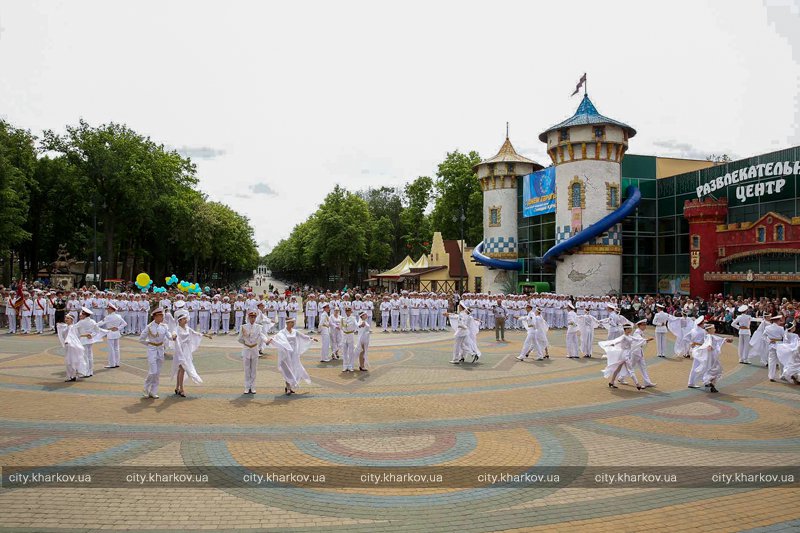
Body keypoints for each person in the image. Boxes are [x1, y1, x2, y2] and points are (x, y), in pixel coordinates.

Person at [269, 317, 317, 394]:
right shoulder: (282, 332)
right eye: (291, 322)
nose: (293, 324)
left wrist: (311, 338)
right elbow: (276, 337)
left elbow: (303, 336)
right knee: (288, 369)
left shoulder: (295, 331)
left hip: (294, 353)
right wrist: (270, 340)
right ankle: (288, 387)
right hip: (286, 353)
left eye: (293, 322)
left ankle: (290, 386)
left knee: (294, 368)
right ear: (287, 323)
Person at [171, 308, 211, 397]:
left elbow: (195, 333)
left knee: (181, 369)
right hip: (180, 351)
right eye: (184, 319)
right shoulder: (176, 328)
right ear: (180, 320)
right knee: (182, 368)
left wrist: (205, 335)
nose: (186, 320)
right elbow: (173, 333)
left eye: (186, 318)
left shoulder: (187, 328)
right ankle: (181, 389)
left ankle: (177, 387)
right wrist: (173, 336)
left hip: (187, 351)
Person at [599, 323, 648, 390]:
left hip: (626, 354)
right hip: (625, 355)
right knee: (630, 369)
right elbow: (616, 341)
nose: (631, 329)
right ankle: (638, 384)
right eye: (629, 328)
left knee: (618, 369)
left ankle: (612, 382)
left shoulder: (629, 336)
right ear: (626, 329)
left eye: (631, 328)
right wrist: (611, 344)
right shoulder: (623, 337)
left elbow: (637, 339)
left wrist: (646, 340)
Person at [139, 308, 171, 399]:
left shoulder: (164, 326)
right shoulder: (149, 327)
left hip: (160, 349)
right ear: (155, 316)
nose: (162, 317)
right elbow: (141, 339)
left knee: (157, 372)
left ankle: (154, 391)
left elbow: (169, 336)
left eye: (162, 315)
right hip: (152, 349)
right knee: (153, 371)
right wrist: (149, 344)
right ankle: (146, 388)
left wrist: (174, 336)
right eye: (161, 316)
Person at [690, 323, 732, 393]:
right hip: (712, 356)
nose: (715, 329)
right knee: (716, 369)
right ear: (709, 329)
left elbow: (718, 339)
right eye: (713, 328)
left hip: (711, 356)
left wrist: (726, 339)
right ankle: (709, 382)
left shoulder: (710, 336)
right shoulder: (709, 336)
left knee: (710, 368)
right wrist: (709, 345)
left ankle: (709, 382)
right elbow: (709, 341)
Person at [238, 310, 269, 394]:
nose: (252, 319)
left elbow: (262, 336)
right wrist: (246, 343)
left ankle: (253, 386)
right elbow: (239, 338)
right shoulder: (243, 326)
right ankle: (247, 387)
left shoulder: (259, 327)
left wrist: (266, 341)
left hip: (255, 349)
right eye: (251, 317)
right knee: (247, 369)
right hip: (246, 349)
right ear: (248, 318)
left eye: (254, 317)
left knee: (254, 369)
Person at [74, 307, 106, 377]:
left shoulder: (81, 322)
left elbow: (73, 328)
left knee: (85, 356)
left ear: (85, 315)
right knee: (90, 356)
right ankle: (90, 371)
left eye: (81, 315)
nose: (80, 316)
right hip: (90, 340)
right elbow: (97, 331)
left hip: (83, 340)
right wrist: (91, 335)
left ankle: (86, 372)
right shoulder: (93, 321)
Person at [56, 314, 88, 382]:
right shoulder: (68, 327)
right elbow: (76, 335)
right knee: (70, 361)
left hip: (71, 346)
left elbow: (71, 336)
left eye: (68, 318)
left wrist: (68, 340)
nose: (66, 319)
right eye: (66, 318)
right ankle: (72, 376)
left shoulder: (71, 327)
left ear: (72, 320)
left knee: (70, 361)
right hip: (69, 346)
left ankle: (72, 376)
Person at [97, 302, 127, 369]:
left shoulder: (108, 317)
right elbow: (125, 323)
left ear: (111, 309)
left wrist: (94, 325)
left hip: (110, 333)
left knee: (111, 349)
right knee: (116, 348)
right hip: (116, 332)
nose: (107, 310)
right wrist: (118, 328)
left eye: (108, 309)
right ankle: (117, 363)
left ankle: (112, 364)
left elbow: (100, 323)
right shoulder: (118, 316)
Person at [628, 319, 657, 387]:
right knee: (630, 367)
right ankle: (621, 377)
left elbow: (641, 341)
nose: (645, 326)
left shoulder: (640, 332)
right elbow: (639, 340)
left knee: (643, 367)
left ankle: (647, 382)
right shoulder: (637, 332)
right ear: (639, 325)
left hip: (639, 352)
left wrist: (646, 340)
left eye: (645, 325)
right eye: (643, 325)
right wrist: (647, 340)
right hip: (635, 352)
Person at [340, 306, 358, 372]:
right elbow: (341, 327)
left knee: (351, 351)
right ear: (345, 312)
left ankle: (350, 366)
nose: (348, 312)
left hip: (350, 335)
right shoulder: (342, 319)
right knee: (344, 352)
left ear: (351, 312)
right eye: (347, 311)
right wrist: (344, 333)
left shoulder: (353, 318)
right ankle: (345, 366)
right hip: (344, 335)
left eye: (349, 311)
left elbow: (356, 324)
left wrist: (360, 326)